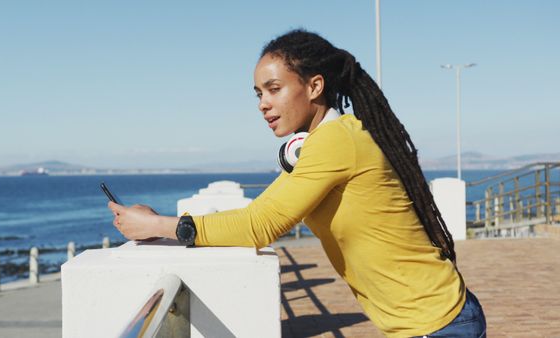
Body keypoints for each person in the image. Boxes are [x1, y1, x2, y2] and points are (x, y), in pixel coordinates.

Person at [108, 29, 486, 337]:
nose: (262, 104)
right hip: (429, 320)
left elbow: (259, 226)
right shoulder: (321, 144)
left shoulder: (336, 142)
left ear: (315, 86)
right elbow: (260, 212)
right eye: (258, 94)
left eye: (274, 89)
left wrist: (157, 227)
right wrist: (162, 221)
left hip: (438, 324)